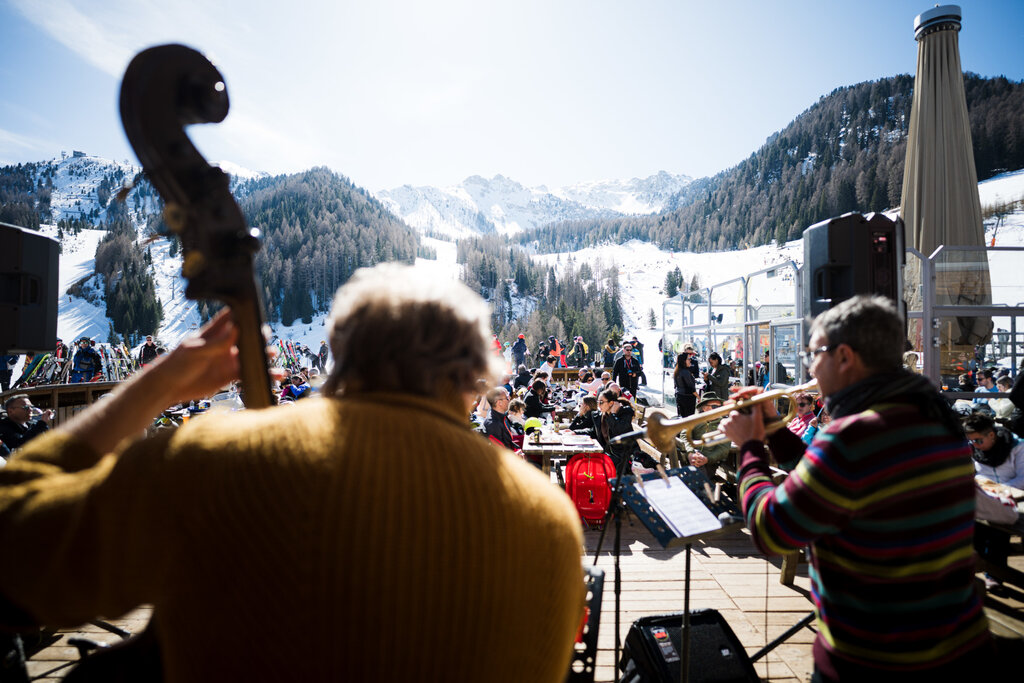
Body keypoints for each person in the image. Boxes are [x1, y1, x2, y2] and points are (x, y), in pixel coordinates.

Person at [0, 263, 584, 683]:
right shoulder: (551, 520)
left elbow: (15, 544)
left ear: (340, 353)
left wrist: (159, 383)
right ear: (478, 377)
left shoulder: (218, 458)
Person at [720, 295, 992, 680]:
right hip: (960, 647)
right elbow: (827, 485)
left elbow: (769, 531)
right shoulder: (932, 415)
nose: (810, 368)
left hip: (873, 660)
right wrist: (775, 429)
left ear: (844, 356)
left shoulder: (852, 437)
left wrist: (749, 447)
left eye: (813, 354)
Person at [963, 412, 1024, 489]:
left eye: (978, 441)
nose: (974, 445)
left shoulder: (1018, 446)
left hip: (1012, 493)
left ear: (991, 435)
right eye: (971, 441)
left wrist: (998, 488)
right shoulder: (972, 448)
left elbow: (1022, 479)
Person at [681, 392, 730, 477]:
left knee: (698, 468)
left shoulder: (725, 424)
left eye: (720, 407)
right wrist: (690, 453)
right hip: (690, 459)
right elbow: (684, 436)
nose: (718, 410)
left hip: (709, 463)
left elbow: (723, 449)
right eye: (714, 407)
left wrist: (706, 459)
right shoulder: (693, 419)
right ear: (704, 408)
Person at [673, 353, 697, 417]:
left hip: (679, 396)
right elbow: (691, 389)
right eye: (688, 359)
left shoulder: (677, 371)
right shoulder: (685, 372)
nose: (690, 360)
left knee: (682, 418)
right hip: (687, 399)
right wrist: (699, 397)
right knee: (689, 420)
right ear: (684, 361)